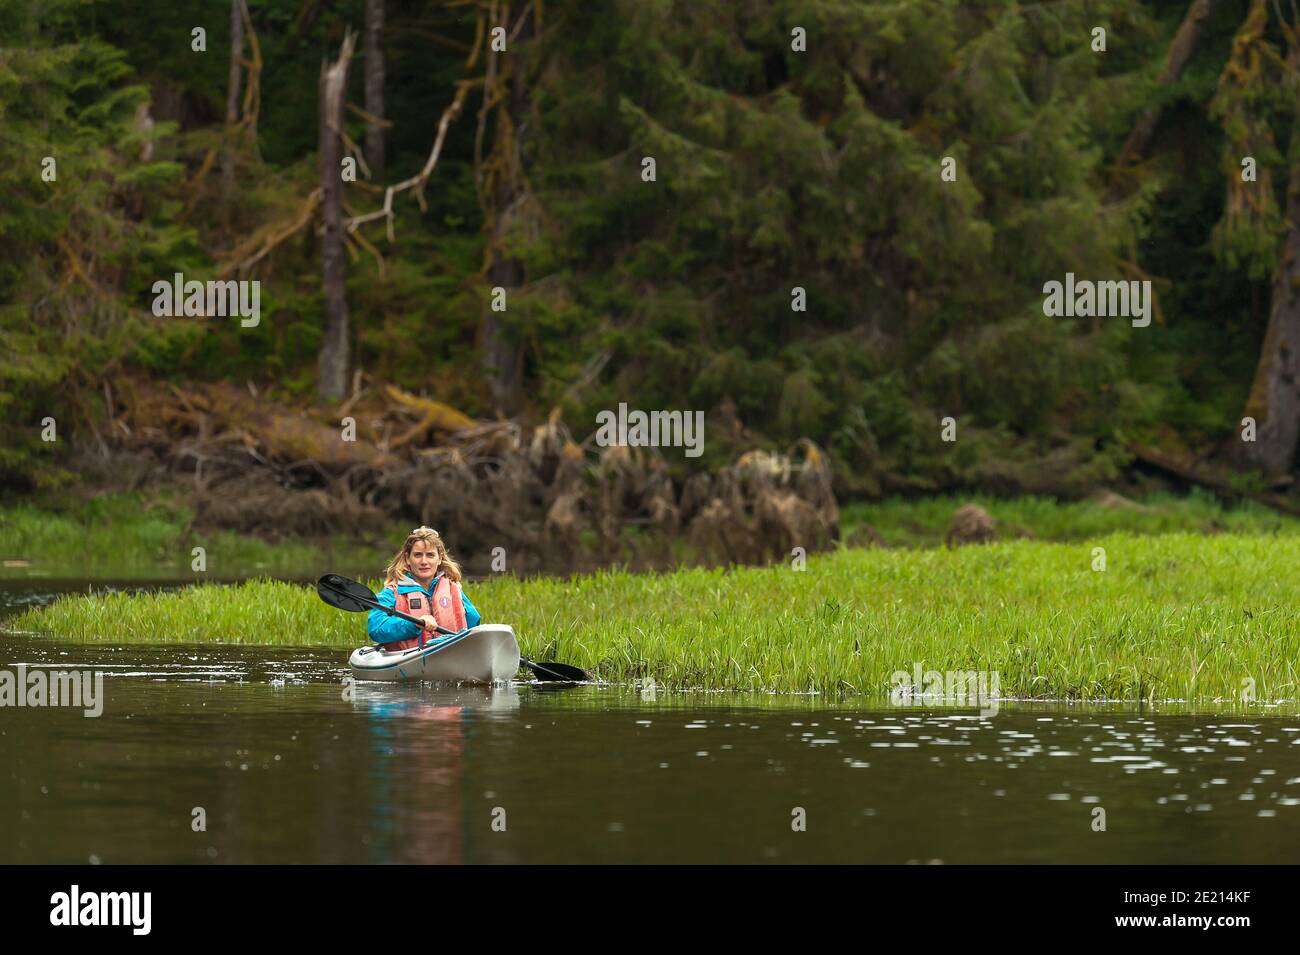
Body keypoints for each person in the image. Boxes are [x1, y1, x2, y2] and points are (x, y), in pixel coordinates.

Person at [368, 526, 481, 651]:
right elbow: (376, 629)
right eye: (417, 555)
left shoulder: (453, 588)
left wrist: (458, 595)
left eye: (430, 555)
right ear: (407, 558)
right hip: (408, 658)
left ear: (440, 558)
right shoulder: (392, 592)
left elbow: (474, 623)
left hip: (451, 652)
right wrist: (414, 624)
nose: (424, 561)